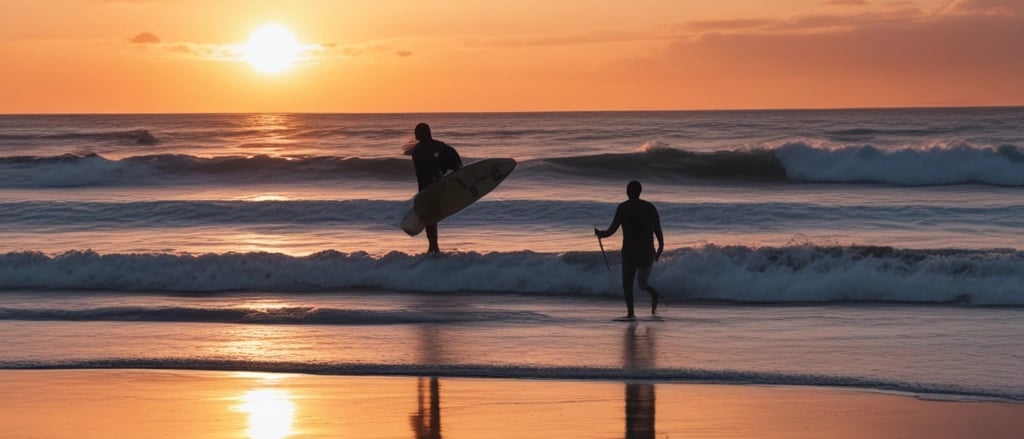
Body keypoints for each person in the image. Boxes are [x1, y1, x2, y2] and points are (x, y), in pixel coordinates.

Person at [595, 180, 664, 318]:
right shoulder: (650, 207)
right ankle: (653, 293)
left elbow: (611, 231)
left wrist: (600, 234)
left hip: (630, 252)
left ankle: (631, 313)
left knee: (627, 284)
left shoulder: (623, 208)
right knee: (642, 284)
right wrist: (659, 250)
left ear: (627, 192)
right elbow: (658, 232)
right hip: (647, 251)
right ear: (640, 192)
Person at [404, 123, 462, 253]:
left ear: (423, 134)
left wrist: (454, 169)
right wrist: (453, 169)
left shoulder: (419, 150)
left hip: (430, 188)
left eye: (417, 134)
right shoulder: (426, 148)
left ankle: (433, 246)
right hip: (432, 187)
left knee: (430, 218)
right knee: (430, 218)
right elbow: (450, 155)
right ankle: (433, 246)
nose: (416, 136)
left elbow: (451, 157)